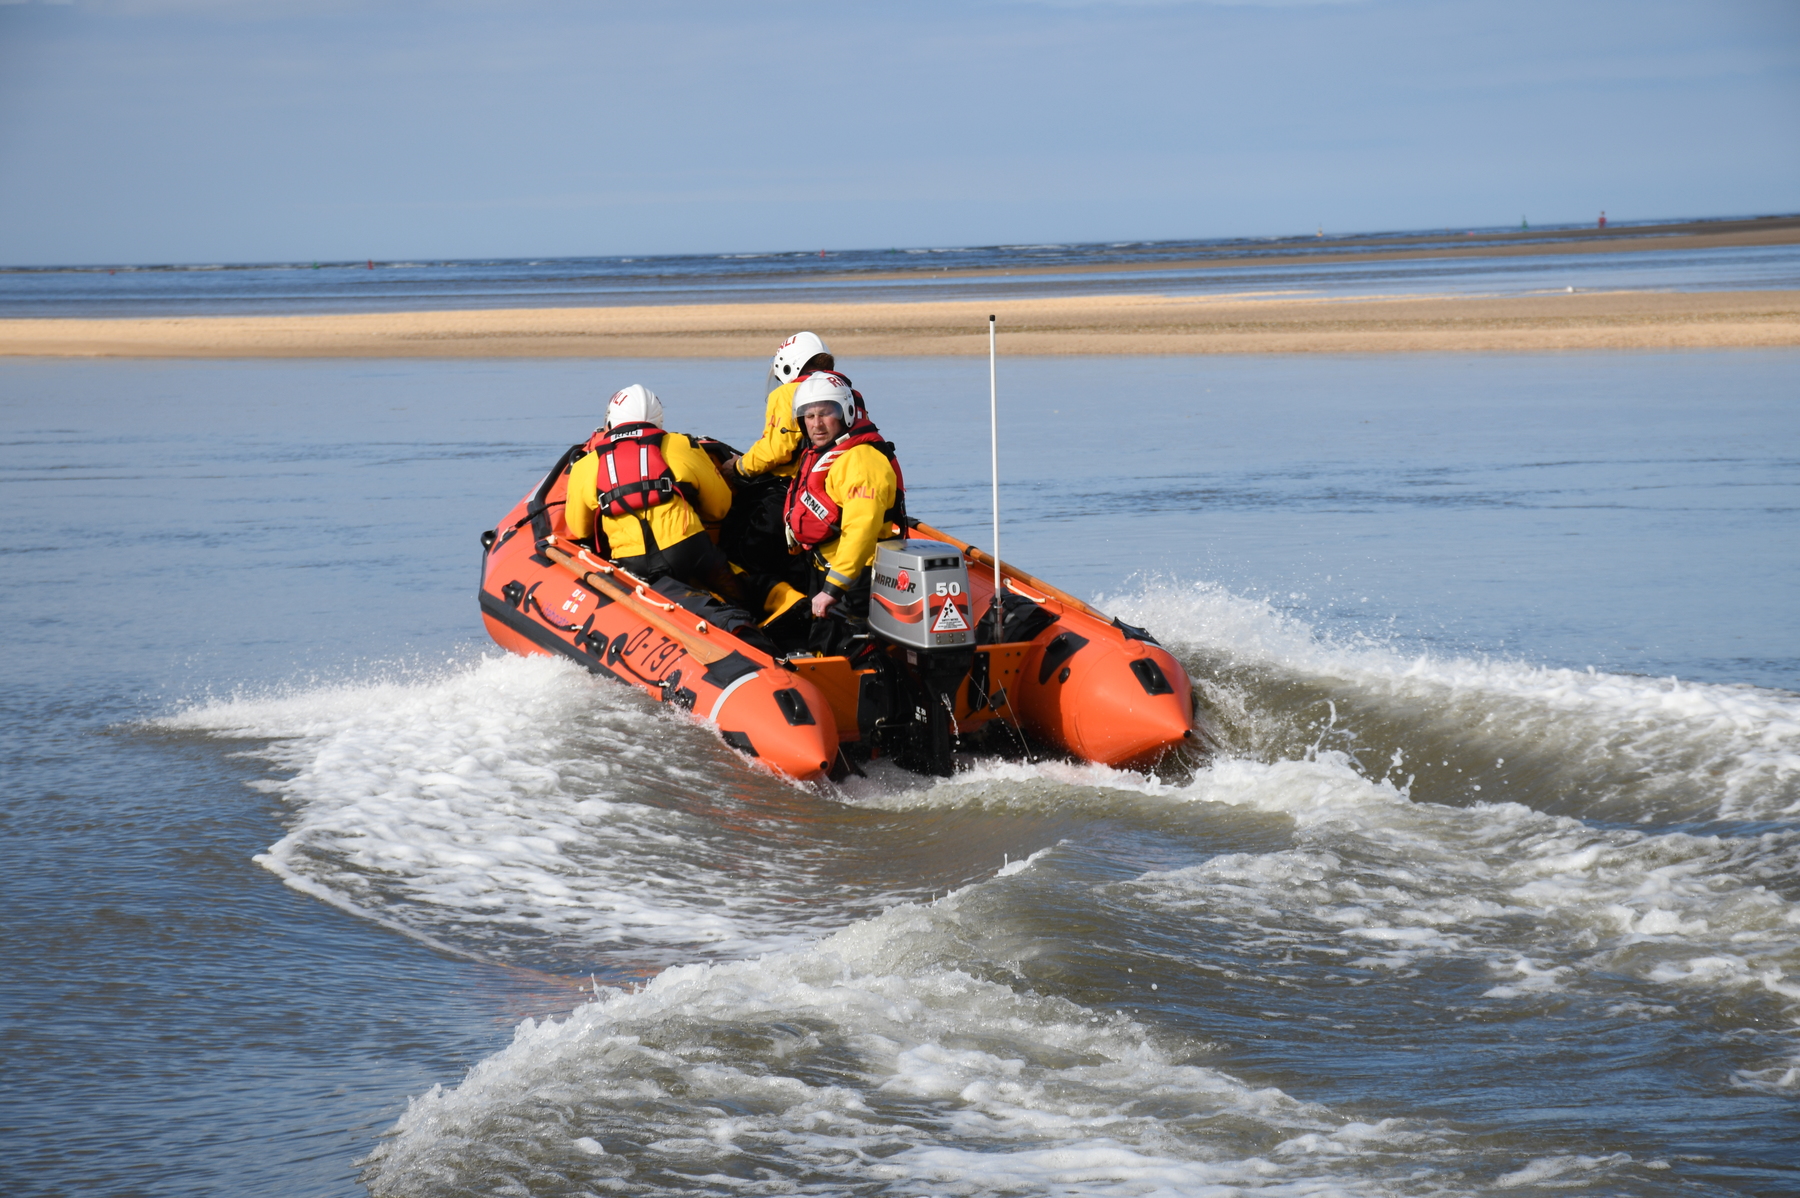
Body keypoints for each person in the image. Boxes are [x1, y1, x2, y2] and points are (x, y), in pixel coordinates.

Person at [564, 384, 740, 600]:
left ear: (611, 420)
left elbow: (580, 529)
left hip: (633, 564)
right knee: (738, 590)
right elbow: (720, 508)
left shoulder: (586, 466)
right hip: (690, 550)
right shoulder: (683, 444)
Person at [780, 371, 905, 653]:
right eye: (809, 417)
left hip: (857, 579)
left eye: (826, 414)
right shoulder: (828, 454)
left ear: (846, 413)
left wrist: (833, 589)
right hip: (827, 566)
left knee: (849, 651)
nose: (817, 424)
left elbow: (861, 530)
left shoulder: (862, 461)